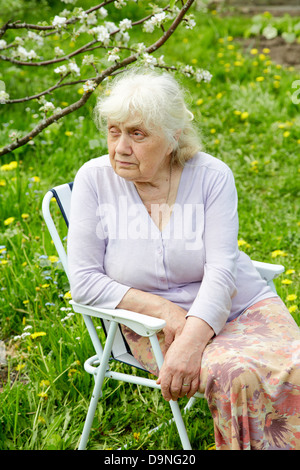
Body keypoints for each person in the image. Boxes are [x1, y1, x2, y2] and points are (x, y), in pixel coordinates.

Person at [67, 68, 300, 450]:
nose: (120, 147)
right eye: (114, 131)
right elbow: (85, 282)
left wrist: (193, 338)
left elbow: (223, 270)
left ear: (173, 136)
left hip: (239, 305)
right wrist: (167, 311)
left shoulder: (212, 176)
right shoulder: (94, 181)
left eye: (137, 134)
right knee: (236, 375)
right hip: (150, 325)